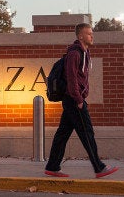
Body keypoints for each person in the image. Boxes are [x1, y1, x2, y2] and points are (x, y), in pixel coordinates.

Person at [44, 23, 118, 178]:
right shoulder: (75, 54)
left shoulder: (85, 52)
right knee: (87, 133)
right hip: (73, 100)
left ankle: (52, 166)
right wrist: (78, 99)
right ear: (80, 36)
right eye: (89, 33)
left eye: (92, 33)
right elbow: (72, 79)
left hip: (73, 99)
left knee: (63, 133)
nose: (92, 36)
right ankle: (99, 167)